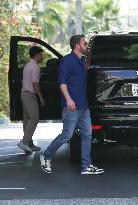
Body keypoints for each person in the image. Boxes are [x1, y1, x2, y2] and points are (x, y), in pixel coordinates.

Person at [40, 35, 104, 175]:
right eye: (84, 43)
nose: (86, 45)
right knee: (67, 135)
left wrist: (92, 47)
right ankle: (46, 155)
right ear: (77, 45)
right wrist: (69, 100)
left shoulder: (83, 61)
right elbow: (62, 83)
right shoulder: (67, 61)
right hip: (72, 106)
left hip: (83, 106)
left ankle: (86, 166)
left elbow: (90, 55)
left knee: (87, 134)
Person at [17, 46, 45, 153]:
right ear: (37, 55)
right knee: (34, 118)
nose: (42, 56)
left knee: (27, 119)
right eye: (41, 54)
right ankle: (24, 142)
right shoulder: (34, 67)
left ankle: (29, 144)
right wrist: (41, 98)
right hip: (30, 95)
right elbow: (35, 84)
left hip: (24, 94)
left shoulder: (27, 65)